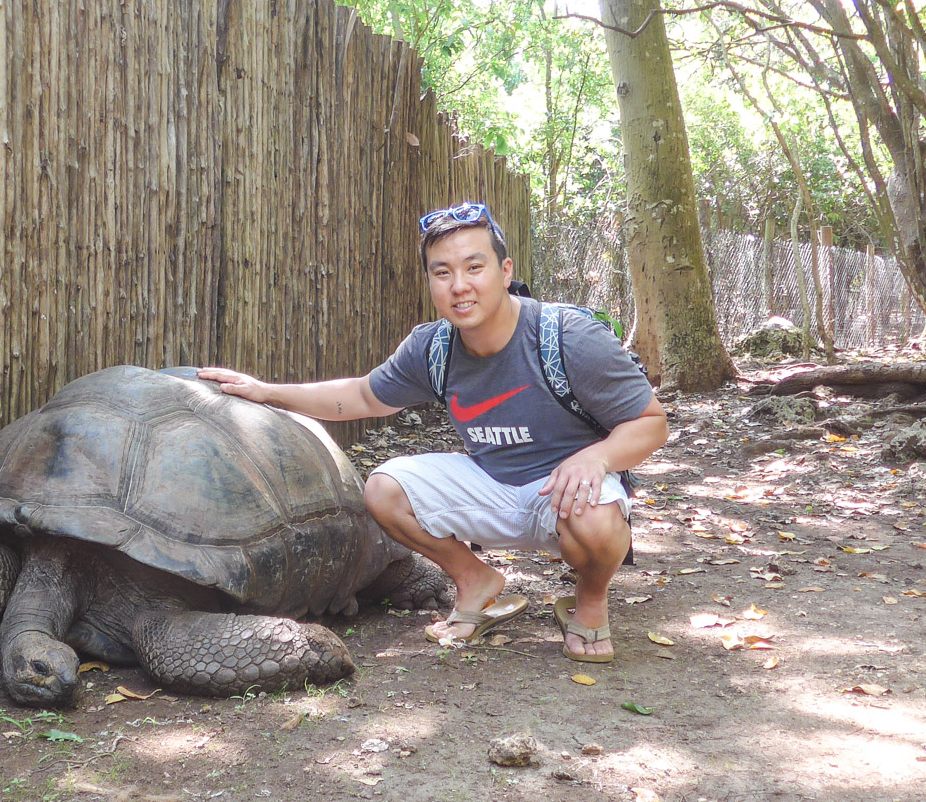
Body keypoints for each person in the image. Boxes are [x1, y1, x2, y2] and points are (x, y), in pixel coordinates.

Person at [198, 202, 667, 662]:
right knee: (384, 489)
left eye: (474, 267)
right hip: (493, 485)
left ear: (504, 271)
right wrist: (267, 392)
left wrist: (598, 457)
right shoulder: (432, 346)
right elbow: (363, 396)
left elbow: (651, 422)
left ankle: (589, 600)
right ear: (430, 282)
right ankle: (475, 580)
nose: (460, 286)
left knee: (595, 520)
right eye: (442, 273)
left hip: (568, 492)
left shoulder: (568, 337)